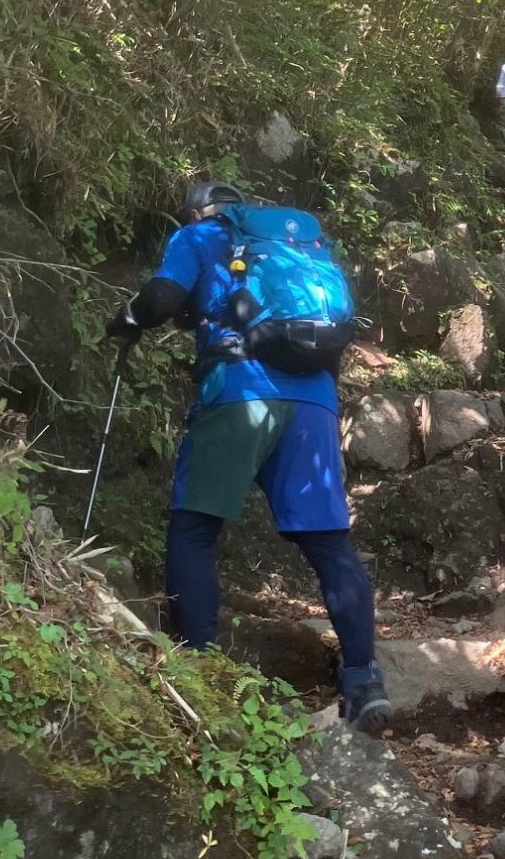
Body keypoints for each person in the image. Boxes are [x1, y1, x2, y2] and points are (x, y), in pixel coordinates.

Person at [105, 179, 391, 732]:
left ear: (195, 211)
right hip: (313, 404)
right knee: (330, 544)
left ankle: (199, 669)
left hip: (239, 393)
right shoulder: (298, 247)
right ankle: (363, 679)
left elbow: (162, 298)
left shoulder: (198, 237)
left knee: (194, 529)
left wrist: (125, 321)